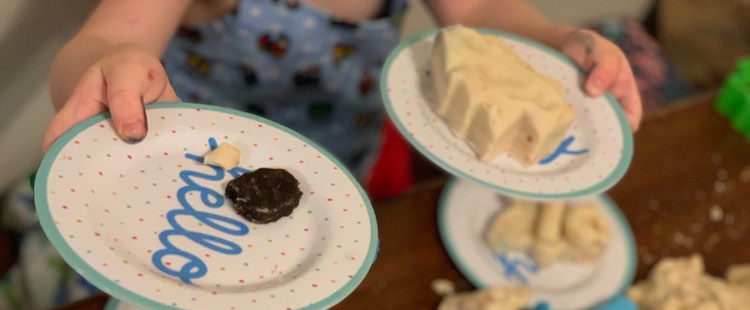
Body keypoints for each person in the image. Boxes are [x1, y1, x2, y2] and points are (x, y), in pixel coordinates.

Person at [42, 0, 643, 175]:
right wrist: (107, 67)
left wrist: (557, 42)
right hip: (191, 176)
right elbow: (96, 45)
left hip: (337, 164)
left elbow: (483, 9)